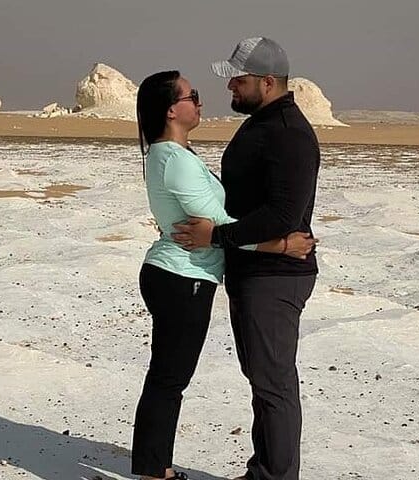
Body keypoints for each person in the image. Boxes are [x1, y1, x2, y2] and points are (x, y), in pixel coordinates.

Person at [131, 70, 315, 480]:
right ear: (171, 110)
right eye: (191, 95)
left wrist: (219, 235)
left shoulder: (175, 155)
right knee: (169, 379)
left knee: (167, 377)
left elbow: (212, 228)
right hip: (182, 276)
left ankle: (153, 468)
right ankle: (154, 473)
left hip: (181, 274)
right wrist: (281, 245)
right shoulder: (174, 160)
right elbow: (216, 225)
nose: (200, 102)